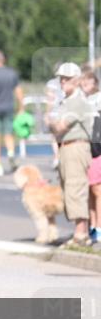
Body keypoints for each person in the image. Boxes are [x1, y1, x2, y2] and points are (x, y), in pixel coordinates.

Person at [46, 62, 93, 247]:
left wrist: (50, 122)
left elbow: (59, 126)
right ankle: (79, 232)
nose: (62, 82)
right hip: (66, 146)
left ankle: (81, 234)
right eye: (61, 78)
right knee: (69, 189)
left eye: (66, 78)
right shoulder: (66, 101)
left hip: (76, 147)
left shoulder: (78, 101)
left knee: (76, 189)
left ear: (76, 80)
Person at [81, 68, 101, 243]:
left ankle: (99, 227)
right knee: (89, 190)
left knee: (97, 190)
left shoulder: (98, 100)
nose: (83, 86)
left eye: (86, 83)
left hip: (97, 150)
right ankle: (93, 226)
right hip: (87, 150)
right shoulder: (83, 100)